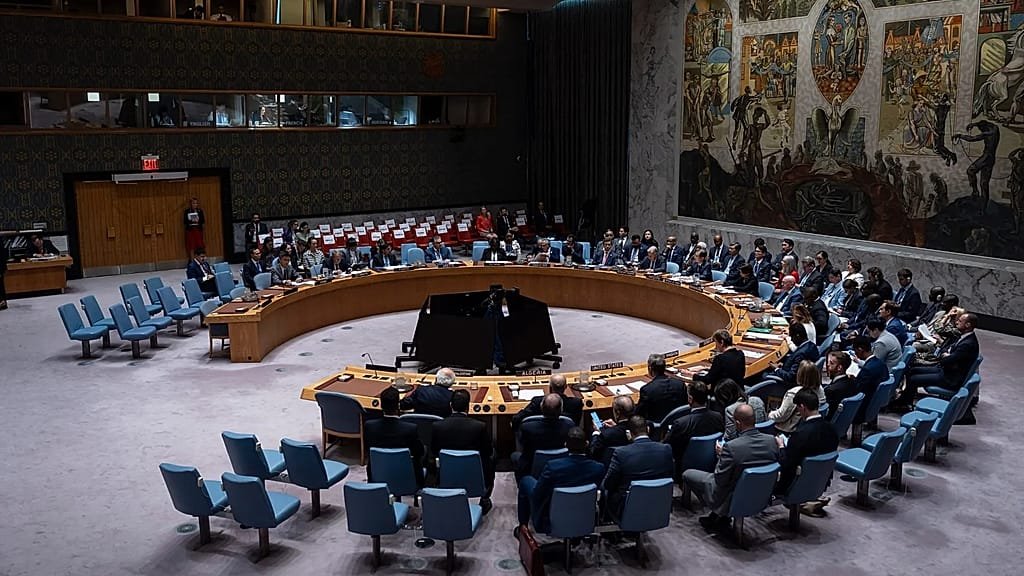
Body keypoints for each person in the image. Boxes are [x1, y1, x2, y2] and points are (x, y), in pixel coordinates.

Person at [683, 404, 780, 533]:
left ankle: (718, 511)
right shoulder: (772, 442)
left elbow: (720, 479)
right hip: (761, 494)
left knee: (688, 474)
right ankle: (718, 516)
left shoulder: (731, 447)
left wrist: (721, 456)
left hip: (730, 494)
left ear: (738, 423)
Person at [518, 427, 606, 535]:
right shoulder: (599, 468)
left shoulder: (553, 467)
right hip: (586, 517)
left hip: (550, 520)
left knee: (526, 480)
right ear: (586, 444)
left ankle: (523, 529)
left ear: (565, 445)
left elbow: (538, 495)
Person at [430, 389, 494, 514]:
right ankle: (485, 496)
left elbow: (434, 451)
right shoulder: (479, 426)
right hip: (472, 470)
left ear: (450, 405)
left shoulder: (437, 426)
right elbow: (488, 451)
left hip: (446, 471)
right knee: (492, 457)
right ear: (468, 407)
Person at [897, 313, 979, 408]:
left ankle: (904, 404)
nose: (957, 322)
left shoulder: (968, 343)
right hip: (946, 370)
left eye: (960, 321)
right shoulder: (964, 337)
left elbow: (948, 359)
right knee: (912, 370)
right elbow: (945, 349)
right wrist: (946, 354)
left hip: (950, 378)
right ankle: (905, 399)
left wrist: (946, 355)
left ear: (968, 325)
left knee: (914, 379)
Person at [601, 416, 674, 521]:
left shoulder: (621, 453)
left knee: (604, 488)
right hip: (658, 504)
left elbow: (609, 484)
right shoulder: (666, 449)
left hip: (627, 507)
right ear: (648, 430)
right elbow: (670, 475)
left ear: (628, 434)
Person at [774, 388, 839, 495]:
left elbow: (787, 464)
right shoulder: (832, 429)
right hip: (822, 481)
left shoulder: (801, 434)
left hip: (796, 484)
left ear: (802, 407)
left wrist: (781, 446)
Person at [365, 386, 425, 487]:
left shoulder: (370, 426)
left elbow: (368, 448)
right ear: (398, 405)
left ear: (381, 405)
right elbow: (419, 452)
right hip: (405, 474)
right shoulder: (410, 429)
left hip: (378, 472)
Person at [666, 381, 724, 481]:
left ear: (690, 399)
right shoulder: (718, 417)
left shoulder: (681, 423)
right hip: (711, 463)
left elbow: (667, 446)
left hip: (683, 467)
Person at [515, 394, 573, 480]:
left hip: (530, 467)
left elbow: (521, 443)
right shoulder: (569, 426)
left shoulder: (527, 427)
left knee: (515, 455)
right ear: (561, 409)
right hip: (561, 467)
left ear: (541, 407)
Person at [769, 360, 827, 434]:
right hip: (809, 427)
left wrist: (769, 414)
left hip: (788, 429)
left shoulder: (793, 393)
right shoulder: (820, 389)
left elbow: (781, 416)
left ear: (800, 375)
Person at [512, 374, 583, 429]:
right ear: (565, 387)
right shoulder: (576, 403)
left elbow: (517, 419)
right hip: (564, 441)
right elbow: (576, 424)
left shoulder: (538, 402)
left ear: (550, 387)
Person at [637, 354, 687, 425]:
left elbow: (639, 415)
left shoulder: (647, 390)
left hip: (658, 429)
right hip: (680, 424)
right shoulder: (680, 384)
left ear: (650, 369)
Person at [850, 335, 889, 421]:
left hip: (864, 405)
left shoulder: (867, 370)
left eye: (855, 351)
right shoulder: (881, 364)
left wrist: (850, 381)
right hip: (875, 401)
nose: (855, 353)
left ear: (860, 350)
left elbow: (857, 390)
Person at [590, 395, 635, 464]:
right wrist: (616, 426)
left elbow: (593, 452)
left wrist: (596, 432)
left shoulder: (606, 435)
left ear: (617, 413)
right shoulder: (639, 428)